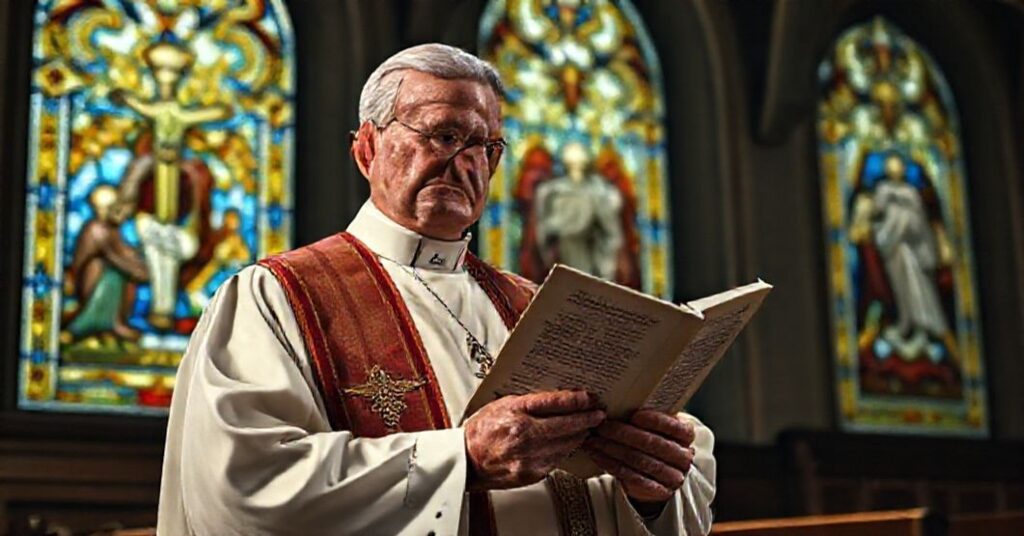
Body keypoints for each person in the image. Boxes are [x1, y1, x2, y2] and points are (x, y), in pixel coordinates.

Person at [158, 43, 715, 535]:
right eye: (443, 134)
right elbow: (244, 484)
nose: (464, 161)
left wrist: (651, 488)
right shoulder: (276, 297)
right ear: (367, 149)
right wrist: (461, 460)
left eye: (485, 146)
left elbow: (634, 483)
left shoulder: (542, 309)